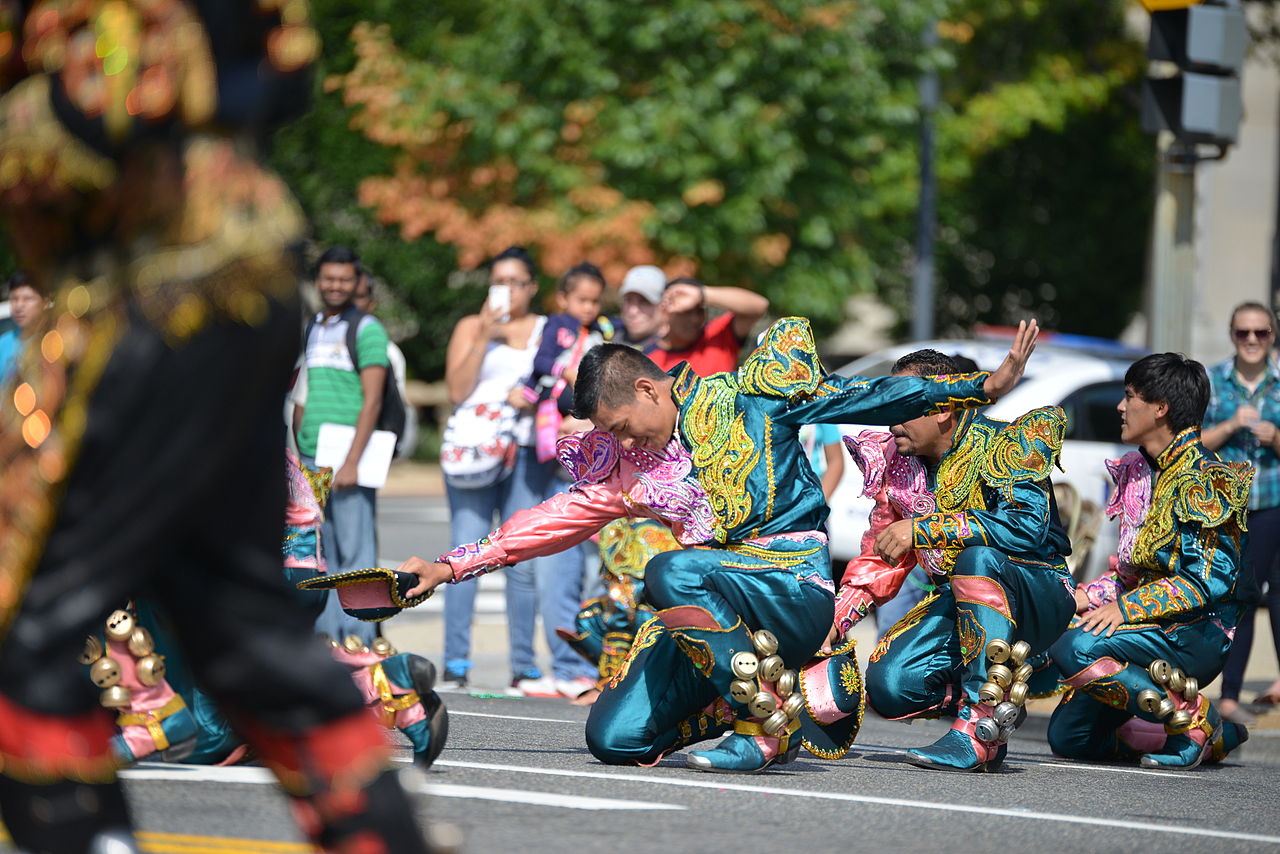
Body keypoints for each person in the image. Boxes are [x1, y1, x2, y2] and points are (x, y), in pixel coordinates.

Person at [0, 4, 431, 851]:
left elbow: (100, 119)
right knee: (238, 631)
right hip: (239, 273)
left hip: (145, 289)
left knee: (19, 620)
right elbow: (287, 73)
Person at [397, 319, 1040, 774]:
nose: (628, 443)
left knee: (668, 570)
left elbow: (865, 396)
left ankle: (762, 724)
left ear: (650, 390)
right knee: (613, 737)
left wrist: (976, 387)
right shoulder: (632, 466)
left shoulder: (751, 398)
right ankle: (768, 697)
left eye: (623, 426)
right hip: (712, 602)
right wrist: (449, 566)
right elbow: (558, 517)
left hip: (791, 587)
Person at [833, 348, 1075, 772]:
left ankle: (982, 728)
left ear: (943, 410)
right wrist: (833, 624)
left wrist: (922, 530)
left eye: (904, 408)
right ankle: (992, 693)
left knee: (976, 558)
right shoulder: (900, 464)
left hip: (1038, 594)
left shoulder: (1009, 442)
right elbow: (880, 555)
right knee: (890, 686)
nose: (891, 422)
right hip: (959, 600)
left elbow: (1025, 528)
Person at [1048, 353, 1252, 769]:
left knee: (1076, 644)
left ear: (1161, 408)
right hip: (1146, 628)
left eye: (1129, 397)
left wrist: (1123, 609)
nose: (1120, 407)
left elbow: (1205, 582)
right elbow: (1128, 573)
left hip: (1196, 634)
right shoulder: (1140, 471)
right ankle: (1216, 737)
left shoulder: (1205, 480)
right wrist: (1078, 598)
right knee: (1070, 737)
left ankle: (1192, 720)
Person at [438, 246, 551, 695]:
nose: (505, 290)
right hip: (474, 452)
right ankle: (455, 665)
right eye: (498, 281)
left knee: (520, 555)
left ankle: (523, 666)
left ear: (532, 287)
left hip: (523, 451)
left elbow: (561, 386)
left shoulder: (548, 331)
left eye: (515, 282)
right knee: (463, 552)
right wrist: (484, 335)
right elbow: (455, 389)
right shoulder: (471, 325)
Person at [293, 246, 391, 646]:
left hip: (348, 458)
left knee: (357, 557)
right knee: (319, 556)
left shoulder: (368, 329)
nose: (335, 286)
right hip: (311, 457)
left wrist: (351, 460)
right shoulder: (313, 327)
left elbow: (373, 399)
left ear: (356, 282)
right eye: (329, 278)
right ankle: (331, 645)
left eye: (344, 279)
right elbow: (305, 390)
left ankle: (363, 644)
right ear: (318, 281)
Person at [1201, 301, 1280, 725]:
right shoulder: (1213, 381)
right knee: (1242, 597)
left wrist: (1276, 437)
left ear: (1272, 335)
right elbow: (1193, 444)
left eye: (1261, 333)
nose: (1252, 341)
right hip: (1229, 505)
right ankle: (1229, 696)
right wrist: (1231, 426)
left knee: (1277, 595)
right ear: (1233, 336)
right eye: (1243, 333)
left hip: (1274, 499)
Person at [647, 277, 769, 375]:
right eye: (685, 312)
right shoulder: (649, 361)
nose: (694, 319)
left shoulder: (718, 336)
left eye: (699, 310)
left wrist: (702, 294)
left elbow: (759, 306)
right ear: (666, 312)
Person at [0, 272, 46, 384]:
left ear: (45, 301)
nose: (19, 306)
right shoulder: (3, 344)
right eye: (14, 299)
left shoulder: (54, 339)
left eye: (27, 299)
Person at [614, 265, 665, 350]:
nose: (632, 311)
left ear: (663, 305)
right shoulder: (604, 339)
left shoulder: (674, 352)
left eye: (644, 301)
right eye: (628, 300)